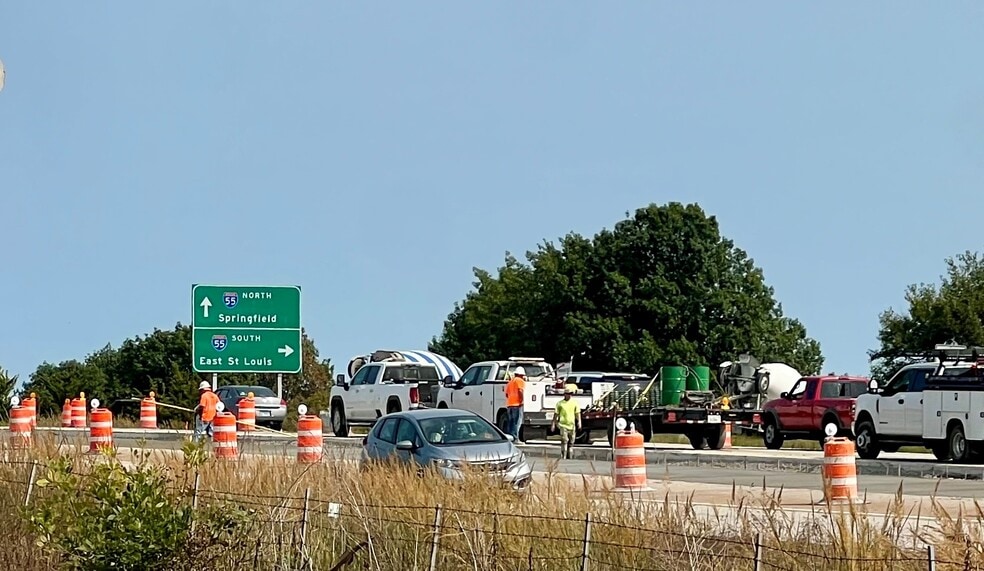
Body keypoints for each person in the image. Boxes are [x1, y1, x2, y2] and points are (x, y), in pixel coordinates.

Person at [552, 387, 581, 459]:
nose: (569, 395)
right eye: (568, 394)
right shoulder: (560, 404)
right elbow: (556, 414)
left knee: (571, 442)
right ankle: (563, 456)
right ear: (565, 394)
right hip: (563, 425)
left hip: (572, 425)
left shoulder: (574, 403)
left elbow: (577, 413)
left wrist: (579, 422)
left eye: (571, 394)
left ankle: (570, 457)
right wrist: (553, 424)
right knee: (564, 441)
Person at [504, 366, 526, 442]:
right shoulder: (519, 381)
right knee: (517, 422)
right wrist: (522, 400)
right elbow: (520, 391)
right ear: (521, 374)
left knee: (511, 422)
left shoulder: (510, 382)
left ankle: (510, 438)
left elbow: (506, 394)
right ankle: (516, 438)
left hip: (509, 405)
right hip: (517, 404)